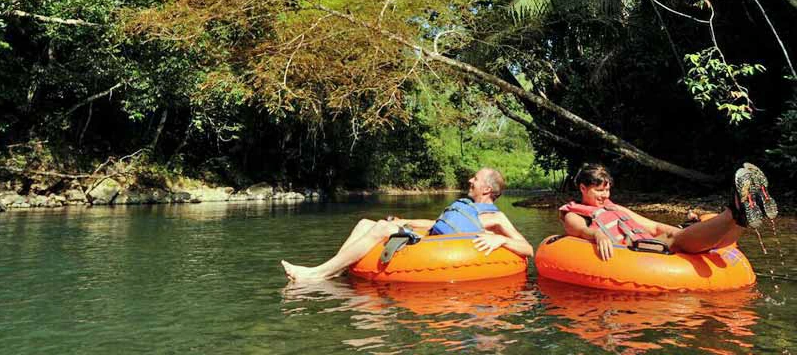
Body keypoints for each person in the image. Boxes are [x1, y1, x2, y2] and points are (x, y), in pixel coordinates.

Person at [281, 167, 535, 282]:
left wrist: (500, 239)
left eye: (475, 179)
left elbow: (527, 249)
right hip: (430, 237)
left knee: (381, 228)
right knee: (364, 222)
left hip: (433, 250)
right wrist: (406, 221)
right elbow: (439, 223)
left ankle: (317, 273)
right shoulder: (465, 206)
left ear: (487, 188)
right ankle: (335, 270)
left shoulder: (496, 218)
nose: (470, 180)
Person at [560, 162, 778, 260]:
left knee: (677, 236)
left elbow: (652, 226)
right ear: (582, 188)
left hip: (647, 242)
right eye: (599, 191)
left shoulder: (613, 207)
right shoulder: (574, 213)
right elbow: (577, 229)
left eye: (607, 190)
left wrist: (679, 230)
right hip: (635, 253)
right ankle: (734, 211)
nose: (605, 196)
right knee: (676, 241)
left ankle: (743, 217)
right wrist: (596, 233)